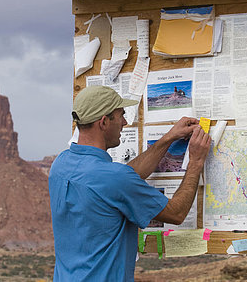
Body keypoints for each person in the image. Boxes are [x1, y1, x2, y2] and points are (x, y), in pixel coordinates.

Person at [49, 85, 211, 281]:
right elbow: (176, 213)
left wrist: (168, 138)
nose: (125, 122)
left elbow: (122, 179)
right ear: (103, 122)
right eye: (121, 115)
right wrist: (195, 162)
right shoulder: (113, 178)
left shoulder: (61, 164)